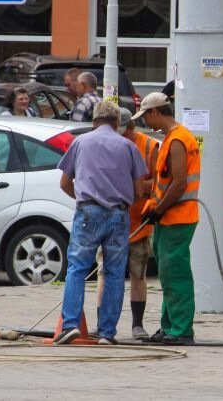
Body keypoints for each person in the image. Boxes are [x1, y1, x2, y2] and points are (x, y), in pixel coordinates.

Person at [55, 101, 148, 345]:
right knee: (115, 273)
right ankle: (107, 333)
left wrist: (85, 200)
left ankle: (71, 325)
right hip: (119, 215)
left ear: (94, 121)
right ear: (117, 123)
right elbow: (139, 190)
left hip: (88, 213)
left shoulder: (80, 143)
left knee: (77, 269)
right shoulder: (128, 146)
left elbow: (65, 183)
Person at [131, 92, 201, 346]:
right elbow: (165, 182)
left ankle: (182, 330)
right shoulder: (171, 138)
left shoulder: (178, 140)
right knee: (167, 273)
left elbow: (179, 183)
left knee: (176, 274)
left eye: (146, 116)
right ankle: (169, 326)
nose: (146, 122)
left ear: (156, 112)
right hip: (168, 218)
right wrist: (155, 208)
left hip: (178, 218)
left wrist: (159, 208)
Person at [94, 107, 159, 340]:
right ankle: (102, 325)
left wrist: (139, 188)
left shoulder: (150, 147)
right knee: (105, 274)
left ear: (131, 127)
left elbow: (159, 181)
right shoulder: (110, 144)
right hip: (111, 222)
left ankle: (137, 325)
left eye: (124, 133)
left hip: (137, 223)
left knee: (138, 275)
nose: (120, 137)